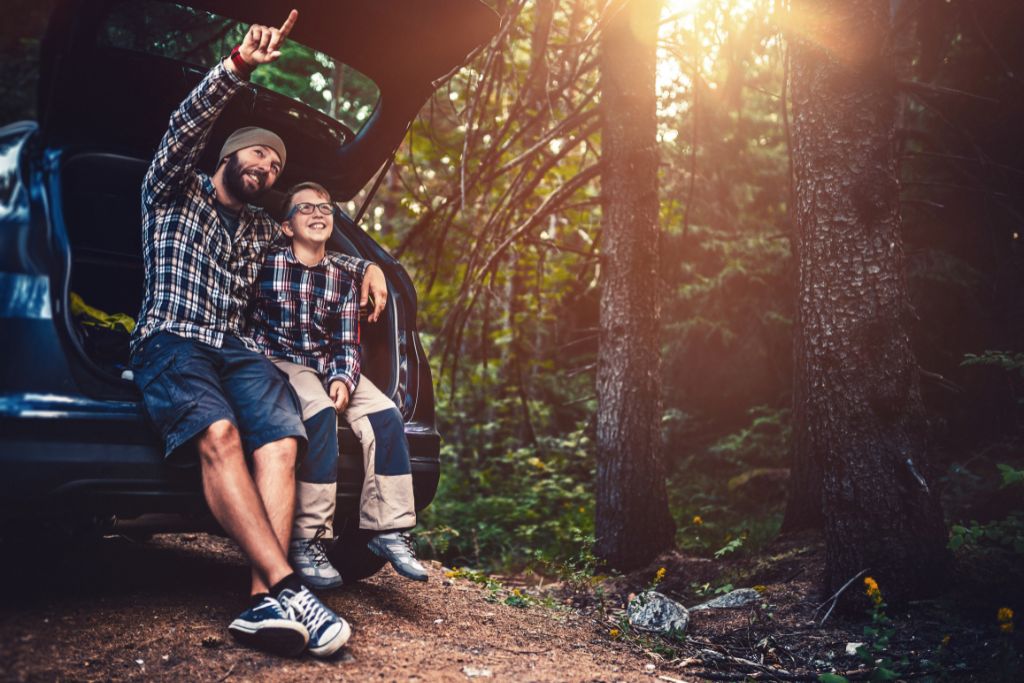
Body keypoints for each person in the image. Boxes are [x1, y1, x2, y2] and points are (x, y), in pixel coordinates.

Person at [129, 9, 386, 658]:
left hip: (236, 349)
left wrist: (372, 266)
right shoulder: (170, 189)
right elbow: (183, 126)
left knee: (282, 442)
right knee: (219, 433)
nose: (268, 166)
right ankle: (287, 584)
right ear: (227, 153)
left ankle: (258, 602)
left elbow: (318, 244)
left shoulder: (258, 231)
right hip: (173, 339)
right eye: (258, 152)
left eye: (276, 163)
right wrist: (239, 65)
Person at [249, 181, 428, 590]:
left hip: (328, 362)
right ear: (286, 226)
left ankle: (388, 530)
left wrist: (344, 378)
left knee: (385, 415)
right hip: (279, 360)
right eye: (305, 208)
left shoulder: (343, 278)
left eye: (325, 208)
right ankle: (307, 537)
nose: (318, 214)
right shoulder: (266, 262)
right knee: (320, 411)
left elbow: (348, 342)